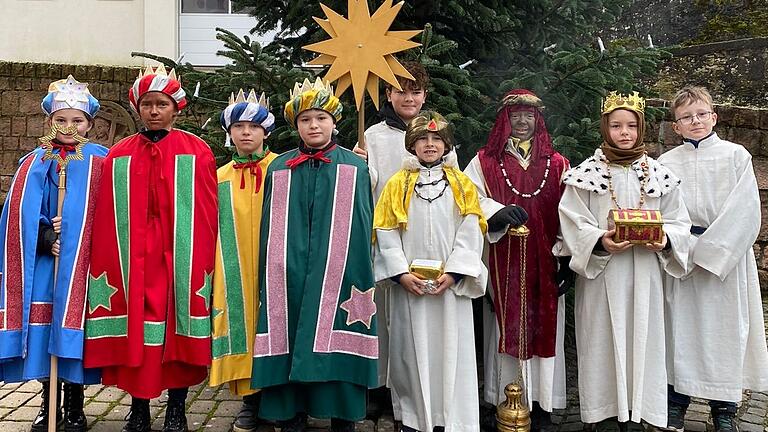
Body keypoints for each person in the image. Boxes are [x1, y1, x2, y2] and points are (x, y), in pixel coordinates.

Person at [83, 65, 218, 432]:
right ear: (137, 108)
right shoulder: (120, 155)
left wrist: (200, 256)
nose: (154, 111)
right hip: (133, 260)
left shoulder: (197, 151)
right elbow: (108, 213)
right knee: (138, 336)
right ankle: (138, 407)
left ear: (176, 108)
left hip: (180, 257)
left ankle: (176, 407)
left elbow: (207, 212)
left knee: (177, 333)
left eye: (162, 104)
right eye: (147, 104)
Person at [558, 91, 691, 432]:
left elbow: (679, 221)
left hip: (645, 274)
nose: (625, 132)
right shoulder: (586, 173)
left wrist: (664, 241)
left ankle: (641, 412)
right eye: (616, 126)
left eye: (631, 125)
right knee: (600, 339)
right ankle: (601, 413)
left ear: (641, 128)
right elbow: (573, 221)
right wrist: (600, 241)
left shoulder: (659, 174)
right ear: (605, 128)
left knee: (645, 339)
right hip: (603, 276)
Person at [251, 78, 377, 432]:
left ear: (334, 122)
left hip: (341, 271)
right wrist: (276, 267)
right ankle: (291, 412)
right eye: (306, 120)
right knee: (289, 330)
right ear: (296, 126)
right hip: (287, 271)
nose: (314, 126)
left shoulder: (354, 167)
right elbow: (270, 227)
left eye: (321, 118)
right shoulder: (280, 168)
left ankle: (342, 415)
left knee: (335, 331)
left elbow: (364, 223)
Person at [658, 86, 768, 432]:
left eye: (701, 114)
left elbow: (746, 213)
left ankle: (724, 407)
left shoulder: (736, 156)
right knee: (680, 329)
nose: (695, 121)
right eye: (686, 117)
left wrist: (709, 252)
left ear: (713, 116)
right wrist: (680, 248)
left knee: (725, 331)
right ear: (675, 126)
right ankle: (676, 401)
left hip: (726, 260)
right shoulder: (665, 163)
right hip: (680, 258)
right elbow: (660, 212)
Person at [0, 75, 106, 432]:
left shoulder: (102, 161)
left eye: (77, 121)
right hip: (49, 263)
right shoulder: (36, 161)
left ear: (90, 124)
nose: (69, 127)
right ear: (50, 122)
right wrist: (46, 236)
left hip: (84, 265)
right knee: (47, 334)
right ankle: (50, 404)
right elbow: (19, 212)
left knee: (75, 333)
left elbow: (114, 211)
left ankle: (76, 406)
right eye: (61, 120)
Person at [373, 111, 487, 432]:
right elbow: (386, 230)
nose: (430, 144)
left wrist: (455, 273)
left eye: (437, 139)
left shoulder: (462, 185)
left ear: (447, 145)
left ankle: (454, 418)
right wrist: (399, 273)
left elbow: (471, 229)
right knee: (410, 352)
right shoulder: (397, 184)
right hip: (408, 286)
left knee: (452, 350)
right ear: (412, 145)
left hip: (449, 288)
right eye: (423, 138)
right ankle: (413, 418)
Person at [464, 89, 570, 430]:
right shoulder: (484, 161)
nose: (522, 122)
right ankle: (502, 398)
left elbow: (573, 212)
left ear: (538, 120)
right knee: (504, 326)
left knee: (545, 326)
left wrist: (566, 259)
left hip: (547, 260)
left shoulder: (557, 163)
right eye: (514, 116)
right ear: (503, 121)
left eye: (528, 115)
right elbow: (468, 199)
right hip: (503, 259)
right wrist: (495, 213)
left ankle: (542, 402)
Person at [352, 61, 429, 409]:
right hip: (381, 238)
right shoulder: (374, 136)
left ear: (424, 95)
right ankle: (378, 387)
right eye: (402, 90)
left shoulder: (435, 134)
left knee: (413, 315)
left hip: (424, 237)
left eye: (415, 91)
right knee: (380, 314)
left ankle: (409, 388)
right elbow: (366, 189)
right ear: (388, 94)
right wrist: (359, 166)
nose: (409, 98)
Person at [209, 89, 277, 432]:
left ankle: (276, 400)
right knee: (241, 324)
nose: (246, 132)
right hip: (234, 264)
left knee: (273, 323)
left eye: (253, 126)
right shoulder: (219, 176)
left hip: (272, 263)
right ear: (229, 132)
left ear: (266, 131)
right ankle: (250, 401)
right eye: (239, 126)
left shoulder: (281, 168)